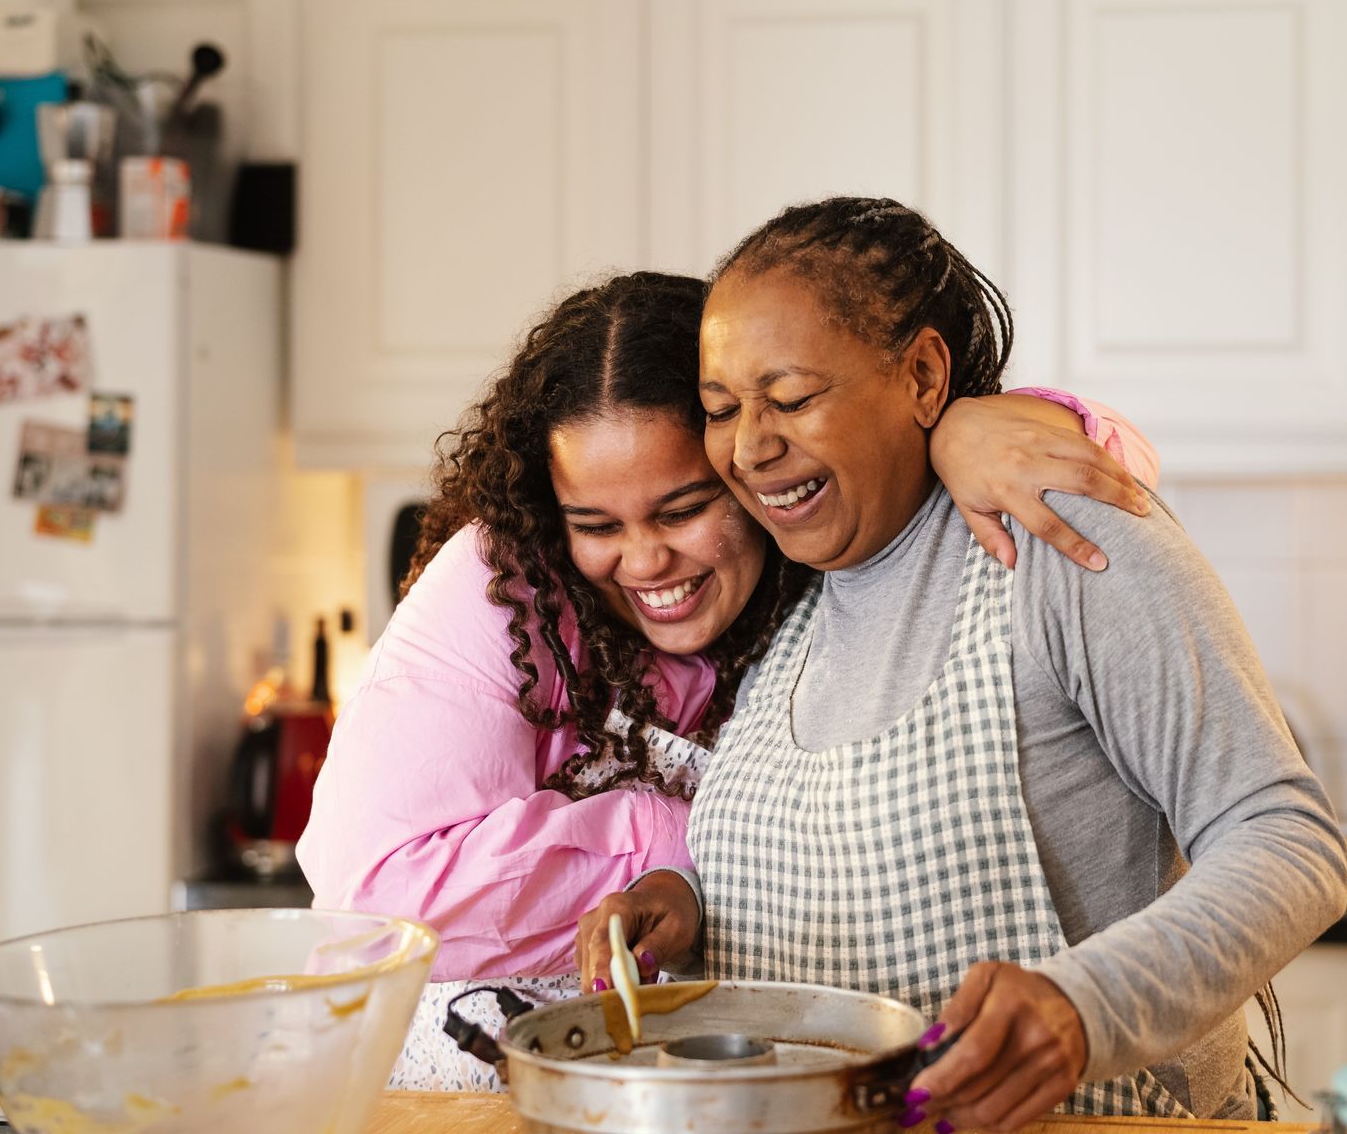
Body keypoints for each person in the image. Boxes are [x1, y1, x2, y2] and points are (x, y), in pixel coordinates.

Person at [577, 200, 1347, 1126]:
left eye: (791, 399)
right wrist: (690, 903)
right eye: (720, 410)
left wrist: (1082, 1007)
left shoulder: (1053, 537)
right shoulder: (792, 598)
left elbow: (1288, 838)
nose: (749, 446)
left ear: (924, 376)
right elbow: (833, 864)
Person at [297, 270, 1158, 1091]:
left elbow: (1114, 479)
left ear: (749, 459)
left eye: (683, 509)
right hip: (465, 1095)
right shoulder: (505, 583)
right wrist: (697, 837)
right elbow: (377, 898)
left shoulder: (829, 558)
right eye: (596, 524)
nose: (643, 561)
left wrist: (970, 428)